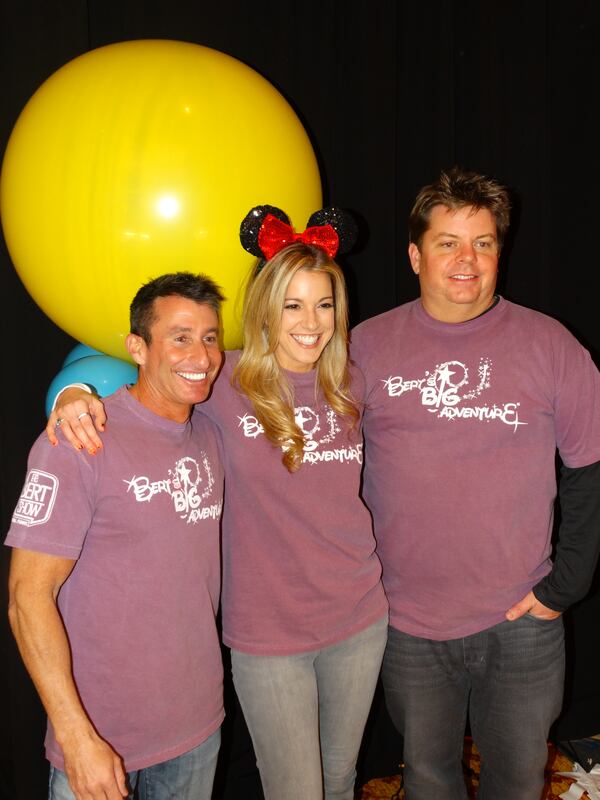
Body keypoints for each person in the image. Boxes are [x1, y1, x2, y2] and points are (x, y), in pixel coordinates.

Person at [45, 207, 389, 800]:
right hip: (267, 634)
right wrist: (74, 391)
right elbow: (119, 363)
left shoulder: (353, 382)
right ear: (265, 309)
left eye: (324, 304)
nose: (311, 322)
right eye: (293, 305)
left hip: (359, 616)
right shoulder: (221, 380)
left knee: (341, 779)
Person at [351, 167, 600, 800]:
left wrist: (565, 584)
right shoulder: (364, 349)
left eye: (483, 243)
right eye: (448, 242)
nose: (467, 259)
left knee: (517, 782)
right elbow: (291, 424)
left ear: (499, 252)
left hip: (522, 619)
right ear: (415, 254)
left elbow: (590, 472)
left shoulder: (551, 346)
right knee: (429, 779)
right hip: (407, 621)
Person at [6, 273, 225, 800]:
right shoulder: (78, 440)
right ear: (137, 347)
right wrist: (76, 736)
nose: (201, 354)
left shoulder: (212, 433)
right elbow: (26, 598)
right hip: (99, 738)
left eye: (211, 337)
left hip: (198, 727)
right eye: (179, 336)